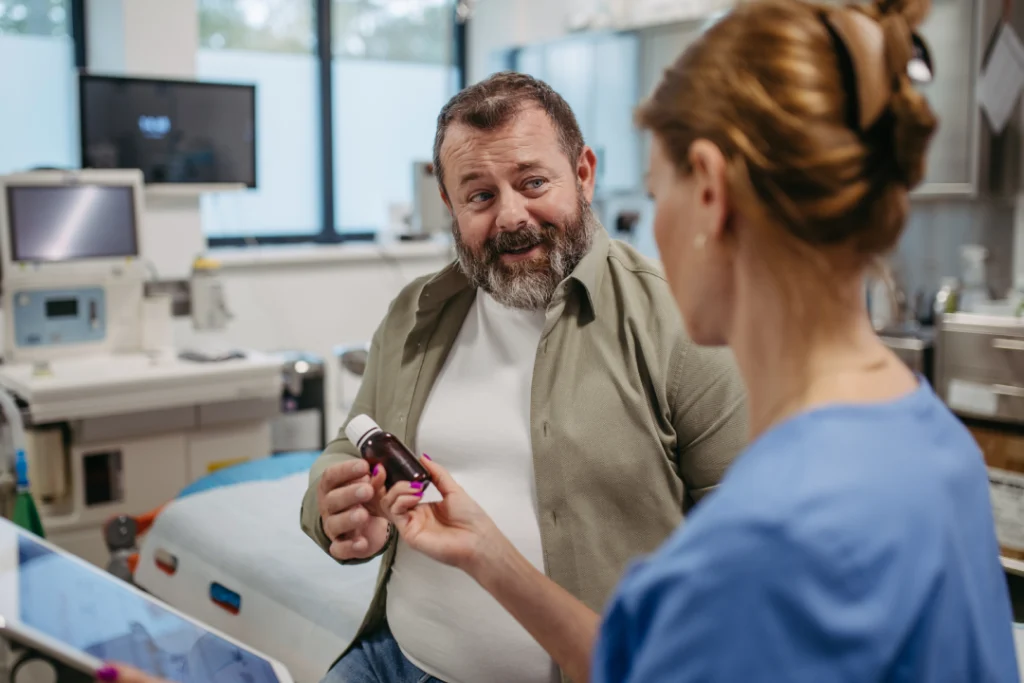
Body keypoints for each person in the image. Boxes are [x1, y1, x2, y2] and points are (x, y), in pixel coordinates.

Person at [367, 0, 1021, 681]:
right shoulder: (932, 441)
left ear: (708, 192)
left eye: (657, 193)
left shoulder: (765, 535)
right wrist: (489, 554)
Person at [300, 73, 748, 682]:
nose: (511, 216)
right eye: (479, 196)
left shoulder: (681, 324)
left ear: (584, 173)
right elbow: (350, 441)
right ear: (451, 208)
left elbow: (749, 559)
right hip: (392, 661)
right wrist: (337, 505)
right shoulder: (416, 314)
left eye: (534, 182)